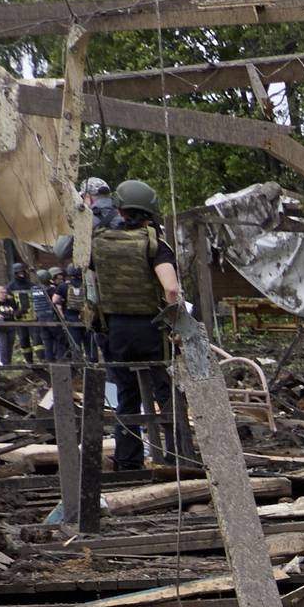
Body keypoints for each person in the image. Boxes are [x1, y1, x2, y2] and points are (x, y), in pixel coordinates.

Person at [91, 179, 187, 471]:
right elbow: (170, 289)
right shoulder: (154, 243)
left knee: (126, 396)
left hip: (115, 330)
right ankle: (178, 456)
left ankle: (128, 461)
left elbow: (92, 287)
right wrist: (177, 321)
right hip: (151, 329)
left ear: (120, 210)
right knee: (165, 392)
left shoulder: (100, 242)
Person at [0, 261, 33, 364]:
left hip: (33, 318)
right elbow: (7, 304)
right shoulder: (10, 288)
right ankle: (29, 361)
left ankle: (42, 360)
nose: (21, 274)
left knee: (37, 341)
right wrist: (15, 312)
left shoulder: (31, 285)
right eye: (19, 273)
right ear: (15, 274)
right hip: (20, 319)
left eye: (22, 272)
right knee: (23, 339)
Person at [29, 268, 66, 364]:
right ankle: (60, 358)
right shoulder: (51, 289)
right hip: (51, 317)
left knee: (47, 340)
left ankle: (49, 359)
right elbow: (57, 301)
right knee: (59, 338)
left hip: (40, 319)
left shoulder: (34, 289)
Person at [0, 284, 18, 365]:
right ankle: (2, 364)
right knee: (2, 346)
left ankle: (8, 363)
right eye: (2, 292)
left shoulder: (10, 302)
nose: (5, 294)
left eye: (5, 292)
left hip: (11, 326)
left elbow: (16, 310)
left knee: (10, 345)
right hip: (0, 327)